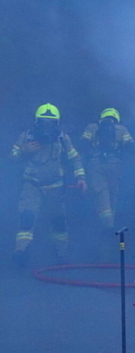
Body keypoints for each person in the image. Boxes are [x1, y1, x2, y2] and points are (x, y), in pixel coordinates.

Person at [10, 104, 86, 263]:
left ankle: (62, 253)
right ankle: (21, 251)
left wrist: (81, 177)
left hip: (55, 187)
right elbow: (12, 158)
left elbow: (75, 158)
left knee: (58, 222)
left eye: (51, 123)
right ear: (36, 122)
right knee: (27, 217)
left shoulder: (63, 139)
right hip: (32, 185)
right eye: (43, 122)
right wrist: (25, 150)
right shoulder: (27, 137)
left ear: (57, 124)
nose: (47, 127)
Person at [80, 108, 135, 230]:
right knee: (113, 195)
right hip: (115, 166)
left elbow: (83, 145)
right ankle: (112, 224)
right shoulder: (122, 129)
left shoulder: (92, 127)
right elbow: (131, 147)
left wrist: (82, 166)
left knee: (101, 195)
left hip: (95, 165)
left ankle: (108, 227)